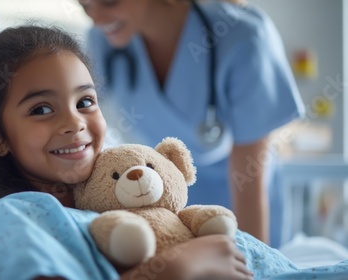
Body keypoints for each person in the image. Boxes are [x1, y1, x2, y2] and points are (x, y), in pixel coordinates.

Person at [0, 24, 256, 280]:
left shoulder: (128, 190)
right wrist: (178, 267)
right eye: (41, 109)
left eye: (85, 101)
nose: (74, 122)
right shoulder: (25, 214)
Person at [79, 0, 305, 246]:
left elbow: (249, 179)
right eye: (85, 6)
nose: (97, 19)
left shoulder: (242, 36)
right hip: (159, 192)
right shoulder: (102, 39)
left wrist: (256, 258)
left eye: (109, 2)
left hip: (242, 192)